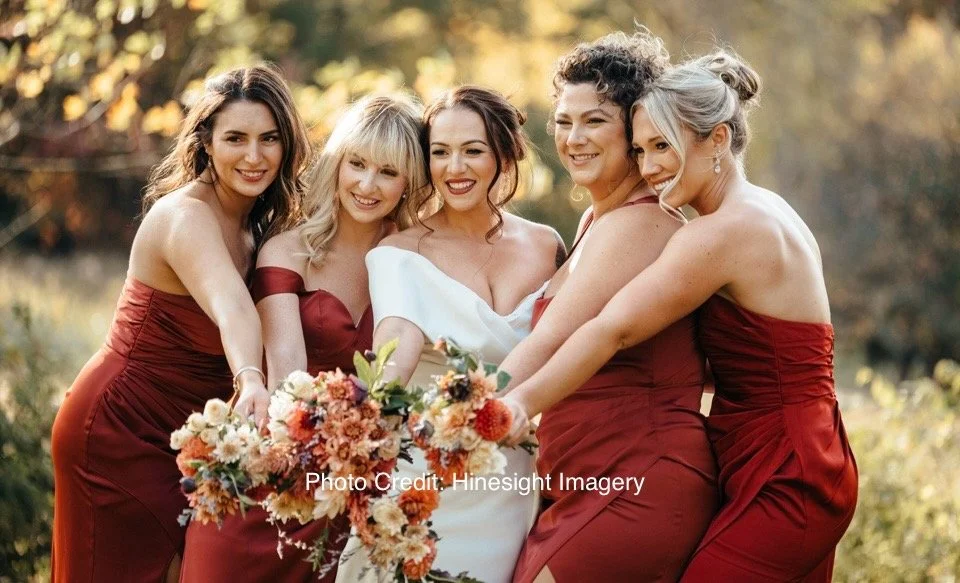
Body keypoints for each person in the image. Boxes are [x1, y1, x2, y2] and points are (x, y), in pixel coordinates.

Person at [502, 48, 859, 582]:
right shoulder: (760, 210)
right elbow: (757, 354)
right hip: (769, 445)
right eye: (642, 150)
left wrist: (518, 403)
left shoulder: (720, 232)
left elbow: (613, 328)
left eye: (663, 147)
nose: (650, 168)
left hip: (789, 463)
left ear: (717, 139)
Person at [50, 64, 311, 582]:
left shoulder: (257, 224)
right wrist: (252, 379)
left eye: (269, 139)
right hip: (119, 430)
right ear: (205, 142)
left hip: (187, 434)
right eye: (235, 138)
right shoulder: (185, 216)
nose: (254, 156)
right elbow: (231, 306)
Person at [492, 30, 720, 583]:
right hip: (581, 479)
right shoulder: (597, 221)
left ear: (635, 131)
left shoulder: (644, 223)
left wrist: (459, 414)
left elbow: (552, 342)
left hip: (638, 479)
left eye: (594, 120)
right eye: (564, 121)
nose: (573, 138)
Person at [180, 94, 427, 582]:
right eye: (356, 164)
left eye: (388, 171)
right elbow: (287, 374)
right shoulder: (288, 250)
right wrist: (338, 445)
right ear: (337, 162)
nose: (367, 184)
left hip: (355, 492)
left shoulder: (412, 258)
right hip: (271, 479)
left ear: (410, 182)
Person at [335, 86, 563, 583]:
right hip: (419, 477)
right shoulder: (401, 250)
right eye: (440, 153)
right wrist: (364, 410)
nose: (454, 168)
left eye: (472, 151)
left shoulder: (548, 246)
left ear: (504, 153)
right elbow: (396, 342)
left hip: (509, 484)